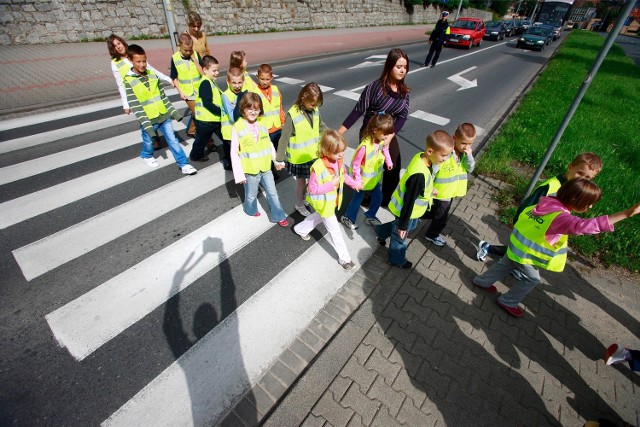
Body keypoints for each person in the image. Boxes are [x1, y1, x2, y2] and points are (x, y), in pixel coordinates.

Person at [473, 179, 640, 318]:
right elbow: (584, 226)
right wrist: (626, 213)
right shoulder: (561, 218)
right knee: (532, 279)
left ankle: (481, 281)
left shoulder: (549, 201)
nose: (590, 208)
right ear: (575, 201)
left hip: (516, 245)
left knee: (505, 264)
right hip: (526, 255)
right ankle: (508, 301)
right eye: (589, 204)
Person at [477, 153, 603, 263]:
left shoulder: (575, 189)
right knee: (519, 249)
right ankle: (489, 250)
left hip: (544, 228)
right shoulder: (552, 186)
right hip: (533, 224)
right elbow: (530, 204)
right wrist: (518, 220)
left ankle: (512, 264)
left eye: (587, 178)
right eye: (579, 173)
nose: (581, 179)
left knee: (525, 250)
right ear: (570, 167)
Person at [338, 48, 410, 207]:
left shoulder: (404, 92)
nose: (402, 70)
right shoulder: (375, 88)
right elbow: (358, 110)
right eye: (398, 66)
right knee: (367, 166)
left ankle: (386, 199)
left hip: (388, 133)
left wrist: (391, 136)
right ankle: (364, 196)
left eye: (405, 67)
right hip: (370, 133)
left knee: (394, 164)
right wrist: (339, 133)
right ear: (390, 66)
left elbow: (403, 116)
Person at [375, 130, 454, 269]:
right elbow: (409, 201)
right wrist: (402, 226)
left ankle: (380, 231)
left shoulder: (422, 158)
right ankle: (395, 259)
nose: (445, 159)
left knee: (408, 227)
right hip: (405, 212)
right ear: (430, 151)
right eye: (443, 155)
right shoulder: (418, 175)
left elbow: (421, 186)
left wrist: (430, 191)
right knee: (400, 238)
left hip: (413, 212)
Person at [123, 44, 197, 175]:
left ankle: (184, 164)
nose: (142, 64)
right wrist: (146, 123)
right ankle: (146, 155)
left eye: (144, 61)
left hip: (163, 115)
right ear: (130, 60)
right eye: (138, 61)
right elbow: (136, 105)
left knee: (172, 139)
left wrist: (173, 113)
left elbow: (163, 97)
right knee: (149, 141)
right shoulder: (128, 80)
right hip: (148, 119)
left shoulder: (152, 75)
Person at [293, 130, 362, 270]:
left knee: (317, 217)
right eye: (338, 153)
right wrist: (332, 183)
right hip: (324, 204)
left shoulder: (338, 161)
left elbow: (343, 176)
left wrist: (355, 184)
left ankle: (300, 229)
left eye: (343, 151)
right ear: (326, 151)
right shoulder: (317, 167)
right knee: (335, 231)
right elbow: (312, 189)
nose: (341, 155)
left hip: (331, 202)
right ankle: (345, 259)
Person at [230, 92, 288, 227]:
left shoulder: (262, 123)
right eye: (249, 108)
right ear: (243, 109)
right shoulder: (237, 127)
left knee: (273, 193)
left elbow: (269, 144)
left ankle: (278, 215)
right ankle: (250, 209)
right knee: (251, 195)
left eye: (256, 109)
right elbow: (234, 152)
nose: (253, 112)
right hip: (250, 170)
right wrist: (239, 175)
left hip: (266, 167)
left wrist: (276, 161)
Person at [107, 34, 173, 149]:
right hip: (136, 94)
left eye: (118, 43)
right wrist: (126, 104)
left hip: (148, 89)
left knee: (155, 112)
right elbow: (121, 84)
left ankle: (157, 136)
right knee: (144, 117)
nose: (118, 47)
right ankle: (154, 139)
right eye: (114, 46)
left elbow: (151, 70)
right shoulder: (115, 63)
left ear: (122, 42)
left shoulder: (135, 53)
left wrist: (168, 79)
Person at [276, 83, 327, 216]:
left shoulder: (315, 110)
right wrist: (279, 159)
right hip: (299, 158)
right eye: (312, 104)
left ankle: (303, 198)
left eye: (316, 105)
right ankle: (299, 204)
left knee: (311, 180)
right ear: (303, 98)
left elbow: (321, 126)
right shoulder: (292, 115)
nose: (314, 107)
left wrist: (332, 135)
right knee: (300, 182)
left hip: (313, 154)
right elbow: (284, 137)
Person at [424, 123, 476, 246]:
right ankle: (432, 235)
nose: (466, 147)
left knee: (435, 213)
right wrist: (430, 186)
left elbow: (470, 169)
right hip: (440, 192)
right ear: (455, 138)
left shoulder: (465, 155)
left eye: (470, 144)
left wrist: (469, 156)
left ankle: (415, 221)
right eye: (464, 143)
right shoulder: (446, 153)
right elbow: (433, 169)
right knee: (440, 217)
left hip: (449, 192)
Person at [341, 113, 394, 231]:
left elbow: (385, 150)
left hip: (373, 179)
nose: (386, 137)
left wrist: (389, 162)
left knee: (378, 197)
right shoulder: (365, 147)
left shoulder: (381, 141)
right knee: (357, 199)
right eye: (385, 134)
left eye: (388, 134)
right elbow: (355, 165)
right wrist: (358, 181)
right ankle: (347, 217)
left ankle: (370, 215)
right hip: (362, 181)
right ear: (375, 130)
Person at [190, 55, 223, 162]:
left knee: (225, 137)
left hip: (213, 119)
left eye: (217, 70)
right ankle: (195, 156)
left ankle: (232, 152)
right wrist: (221, 111)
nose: (217, 73)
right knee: (201, 140)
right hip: (206, 120)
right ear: (205, 70)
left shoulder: (210, 81)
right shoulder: (205, 83)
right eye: (214, 71)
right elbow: (207, 103)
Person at [171, 33, 203, 137]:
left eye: (190, 49)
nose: (188, 52)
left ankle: (191, 130)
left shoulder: (195, 55)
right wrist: (180, 92)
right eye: (186, 50)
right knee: (200, 115)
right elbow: (174, 77)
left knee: (198, 113)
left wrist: (194, 59)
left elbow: (203, 73)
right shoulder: (175, 58)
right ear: (179, 46)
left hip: (199, 90)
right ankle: (208, 141)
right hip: (187, 93)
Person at [221, 67, 246, 170]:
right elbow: (232, 117)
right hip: (229, 131)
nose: (237, 86)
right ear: (228, 82)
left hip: (240, 130)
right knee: (232, 152)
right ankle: (229, 163)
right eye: (234, 83)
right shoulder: (226, 96)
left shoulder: (243, 92)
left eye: (239, 82)